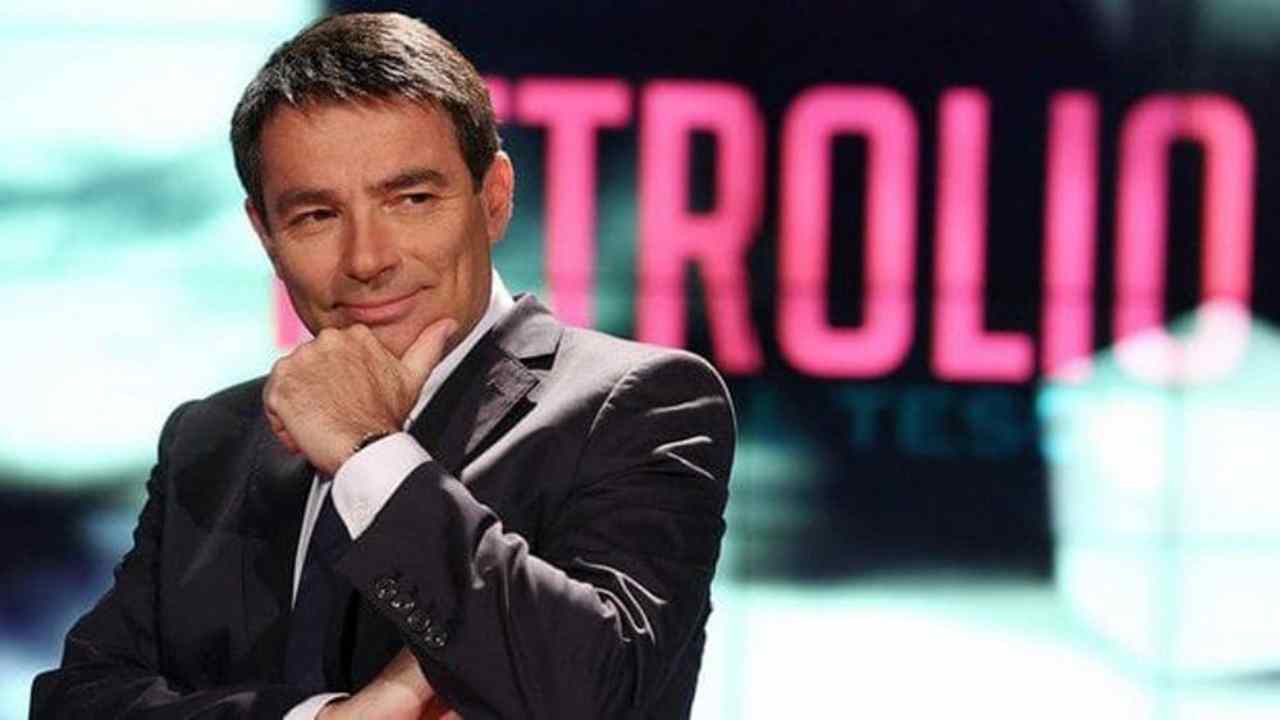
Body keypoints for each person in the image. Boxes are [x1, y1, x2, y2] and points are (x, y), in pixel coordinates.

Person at [30, 12, 734, 720]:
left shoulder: (638, 403)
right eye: (316, 216)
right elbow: (75, 702)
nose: (367, 259)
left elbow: (599, 695)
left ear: (493, 198)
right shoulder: (210, 439)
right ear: (265, 234)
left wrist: (370, 455)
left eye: (412, 200)